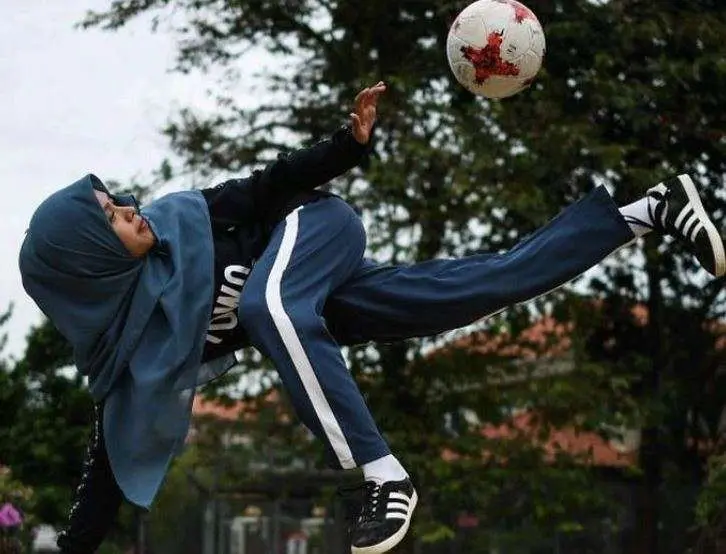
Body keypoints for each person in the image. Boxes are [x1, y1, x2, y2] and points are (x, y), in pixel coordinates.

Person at [18, 80, 724, 554]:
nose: (130, 207)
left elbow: (268, 187)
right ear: (86, 259)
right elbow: (104, 474)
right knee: (477, 289)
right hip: (316, 303)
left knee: (268, 305)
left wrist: (347, 145)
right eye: (112, 217)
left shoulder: (183, 219)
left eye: (117, 199)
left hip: (315, 228)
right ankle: (649, 209)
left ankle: (380, 478)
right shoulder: (135, 355)